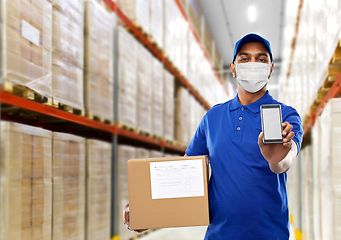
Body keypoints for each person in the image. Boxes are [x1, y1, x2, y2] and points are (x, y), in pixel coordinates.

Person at [123, 33, 303, 239]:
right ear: (233, 69)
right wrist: (149, 213)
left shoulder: (286, 115)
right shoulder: (213, 117)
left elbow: (285, 162)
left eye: (262, 59)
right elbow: (185, 173)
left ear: (270, 69)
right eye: (244, 59)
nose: (253, 64)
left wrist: (276, 159)